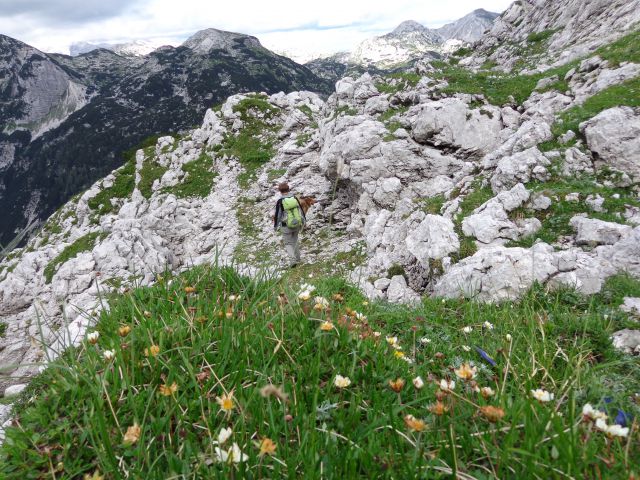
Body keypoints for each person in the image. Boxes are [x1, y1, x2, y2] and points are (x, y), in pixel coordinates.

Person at [273, 182, 305, 268]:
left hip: (286, 225)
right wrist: (303, 221)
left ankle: (293, 260)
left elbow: (278, 215)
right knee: (295, 241)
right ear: (289, 189)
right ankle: (298, 259)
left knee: (287, 243)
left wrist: (276, 226)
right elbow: (301, 210)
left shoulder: (280, 201)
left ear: (280, 191)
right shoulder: (295, 198)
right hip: (297, 223)